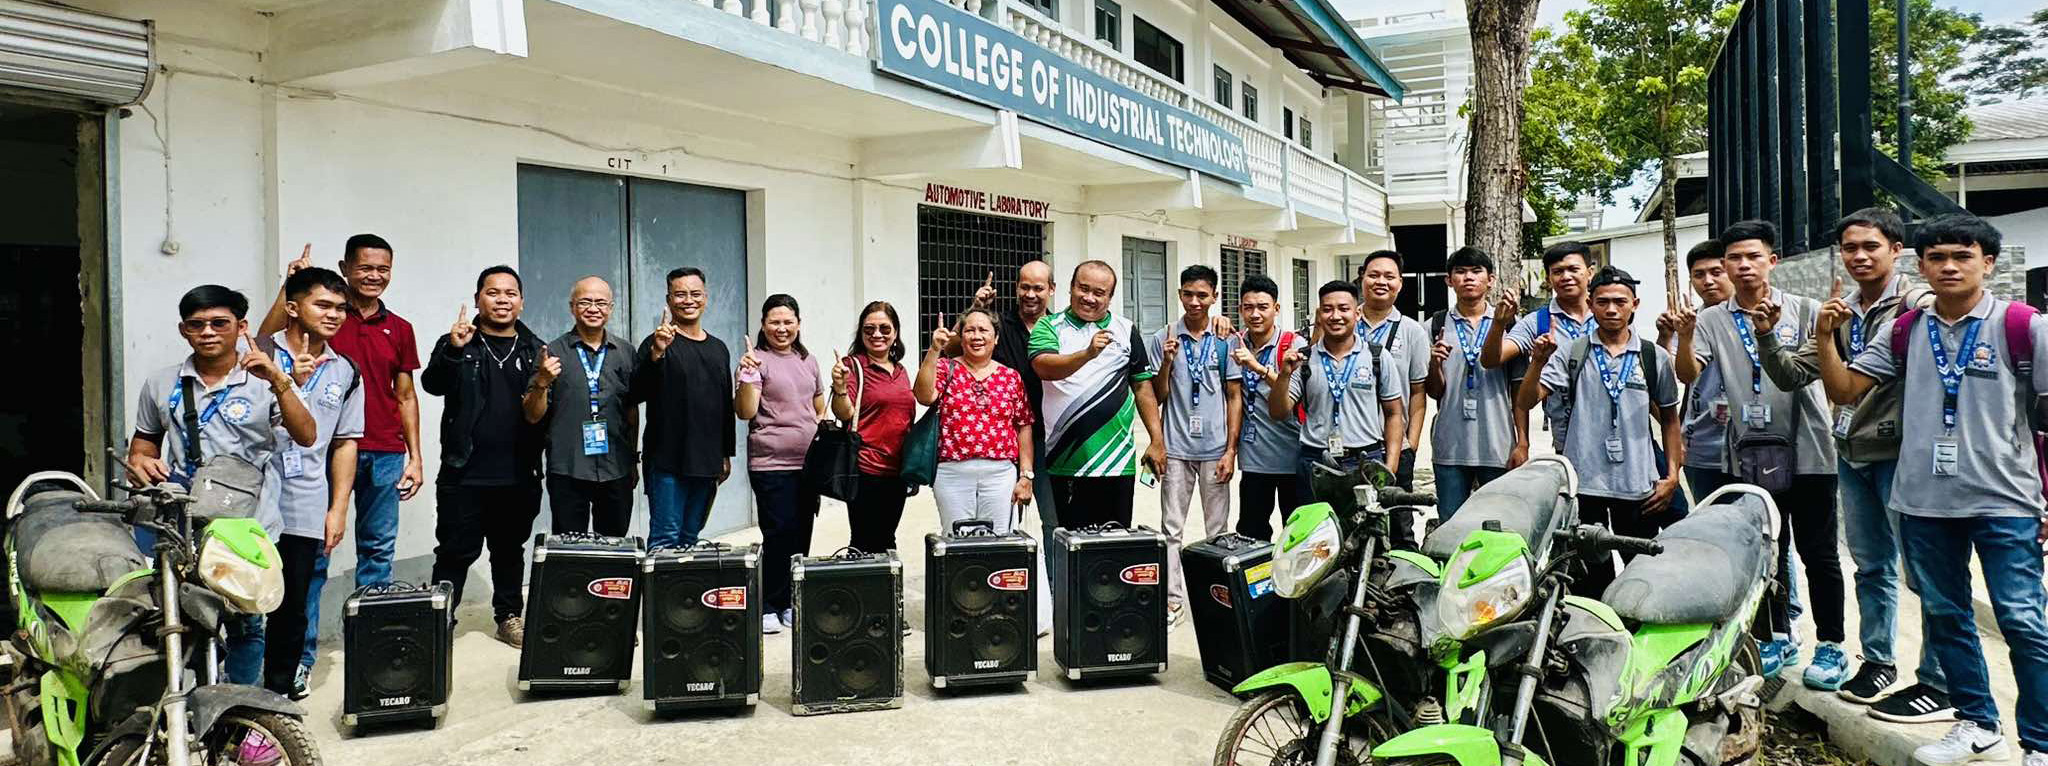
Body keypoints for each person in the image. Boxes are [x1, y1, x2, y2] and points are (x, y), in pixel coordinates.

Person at [1816, 213, 2048, 766]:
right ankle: (1975, 722)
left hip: (2005, 500)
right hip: (1922, 501)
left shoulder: (2023, 325)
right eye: (1937, 258)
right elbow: (1845, 389)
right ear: (1919, 264)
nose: (1949, 267)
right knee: (1945, 614)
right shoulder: (1905, 329)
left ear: (1986, 263)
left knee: (2022, 619)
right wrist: (1826, 337)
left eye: (1962, 256)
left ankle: (2039, 742)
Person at [1752, 207, 1948, 711]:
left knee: (1925, 571)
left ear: (1896, 251)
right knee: (1871, 565)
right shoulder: (1840, 313)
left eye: (1871, 247)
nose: (1859, 256)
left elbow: (1938, 306)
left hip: (1905, 456)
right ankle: (1879, 662)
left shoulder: (1915, 303)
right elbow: (1793, 375)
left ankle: (1937, 680)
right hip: (1853, 452)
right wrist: (1769, 334)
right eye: (1850, 248)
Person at [1674, 219, 1846, 685]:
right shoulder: (1711, 320)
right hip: (1746, 455)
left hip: (1810, 453)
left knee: (1818, 552)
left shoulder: (1809, 311)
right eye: (1735, 258)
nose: (1743, 266)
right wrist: (1686, 337)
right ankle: (1776, 637)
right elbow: (1689, 375)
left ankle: (1832, 645)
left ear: (1773, 261)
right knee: (1765, 550)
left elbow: (1819, 374)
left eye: (1753, 256)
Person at [126, 285, 316, 687]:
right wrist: (141, 463)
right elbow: (141, 447)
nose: (208, 332)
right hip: (181, 524)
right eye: (197, 325)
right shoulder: (162, 383)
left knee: (247, 623)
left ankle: (238, 718)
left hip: (246, 525)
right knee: (179, 618)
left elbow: (307, 435)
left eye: (219, 323)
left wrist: (280, 381)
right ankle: (187, 712)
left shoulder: (266, 379)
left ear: (241, 327)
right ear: (183, 330)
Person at [259, 236, 422, 690]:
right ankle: (300, 658)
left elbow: (406, 394)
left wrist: (416, 456)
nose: (374, 275)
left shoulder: (399, 327)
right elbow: (261, 342)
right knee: (312, 562)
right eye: (365, 267)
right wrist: (289, 287)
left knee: (377, 554)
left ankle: (371, 648)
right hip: (320, 454)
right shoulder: (324, 314)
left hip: (383, 451)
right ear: (346, 267)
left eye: (383, 268)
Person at [1516, 267, 1682, 598]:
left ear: (1634, 304)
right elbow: (1527, 400)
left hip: (1638, 487)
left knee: (1641, 574)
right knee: (1590, 578)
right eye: (1603, 302)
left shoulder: (1653, 356)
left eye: (1620, 302)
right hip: (1585, 486)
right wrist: (1536, 363)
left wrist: (1672, 475)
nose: (1611, 309)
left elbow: (1669, 419)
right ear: (1590, 305)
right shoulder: (1572, 352)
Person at [422, 266, 549, 648]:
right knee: (454, 551)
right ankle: (440, 618)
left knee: (510, 551)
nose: (502, 300)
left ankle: (509, 616)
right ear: (478, 298)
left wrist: (543, 380)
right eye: (493, 293)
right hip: (464, 470)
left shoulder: (535, 349)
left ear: (521, 302)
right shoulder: (457, 341)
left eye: (510, 294)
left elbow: (540, 412)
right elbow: (432, 384)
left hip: (518, 472)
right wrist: (454, 350)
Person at [255, 268, 363, 699]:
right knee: (234, 603)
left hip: (305, 503)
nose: (334, 314)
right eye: (324, 305)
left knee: (292, 605)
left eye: (341, 308)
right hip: (248, 502)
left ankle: (276, 696)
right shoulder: (259, 353)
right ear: (293, 308)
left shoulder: (346, 370)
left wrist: (337, 508)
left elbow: (345, 443)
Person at [1030, 260, 1166, 529]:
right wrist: (1087, 354)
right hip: (1066, 460)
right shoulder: (1048, 326)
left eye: (1099, 293)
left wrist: (1157, 440)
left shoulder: (1126, 330)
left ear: (1110, 297)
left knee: (1114, 545)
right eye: (1083, 289)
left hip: (1116, 460)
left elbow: (1142, 387)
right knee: (1073, 546)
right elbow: (1043, 367)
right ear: (1070, 288)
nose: (1089, 298)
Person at [1149, 265, 1241, 624]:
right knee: (1172, 528)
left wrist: (1230, 450)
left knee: (1217, 532)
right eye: (1188, 294)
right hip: (1175, 449)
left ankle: (1217, 599)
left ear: (1215, 297)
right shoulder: (1165, 336)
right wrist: (1168, 362)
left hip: (1215, 450)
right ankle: (1173, 601)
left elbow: (1235, 396)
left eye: (1202, 295)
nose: (1194, 302)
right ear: (1179, 294)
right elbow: (1159, 395)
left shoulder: (1226, 339)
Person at [1258, 281, 1406, 499]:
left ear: (1357, 313)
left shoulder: (1377, 357)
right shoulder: (1304, 359)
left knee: (1365, 530)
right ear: (1319, 315)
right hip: (1315, 461)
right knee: (1317, 530)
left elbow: (1394, 413)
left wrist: (1390, 466)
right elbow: (1279, 412)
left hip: (1365, 459)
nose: (1335, 316)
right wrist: (1284, 375)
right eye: (1327, 309)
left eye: (1343, 309)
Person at [736, 294, 828, 635]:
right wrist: (747, 376)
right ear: (763, 325)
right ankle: (769, 605)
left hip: (807, 464)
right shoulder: (755, 360)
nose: (782, 328)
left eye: (788, 321)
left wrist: (814, 428)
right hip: (770, 462)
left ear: (799, 324)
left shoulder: (809, 360)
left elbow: (818, 404)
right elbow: (745, 411)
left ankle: (792, 600)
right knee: (778, 534)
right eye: (774, 322)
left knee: (802, 533)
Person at [527, 276, 639, 537]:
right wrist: (542, 382)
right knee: (570, 552)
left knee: (614, 549)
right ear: (572, 307)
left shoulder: (625, 352)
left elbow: (631, 411)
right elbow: (532, 415)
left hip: (616, 468)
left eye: (601, 302)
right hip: (568, 468)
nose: (593, 308)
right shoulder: (551, 353)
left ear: (610, 308)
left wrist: (633, 460)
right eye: (585, 302)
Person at [635, 267, 736, 549]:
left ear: (706, 298)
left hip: (706, 461)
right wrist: (657, 352)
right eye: (680, 294)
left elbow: (725, 406)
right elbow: (636, 391)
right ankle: (659, 595)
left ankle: (682, 595)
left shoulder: (719, 348)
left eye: (695, 294)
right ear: (668, 300)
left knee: (690, 539)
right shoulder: (657, 343)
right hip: (667, 461)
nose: (688, 300)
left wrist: (726, 454)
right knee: (665, 540)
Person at [919, 308, 1035, 531]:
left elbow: (1024, 425)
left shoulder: (1011, 377)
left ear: (996, 337)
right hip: (952, 473)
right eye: (969, 330)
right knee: (956, 542)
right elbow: (924, 396)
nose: (976, 336)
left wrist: (1026, 476)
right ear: (961, 337)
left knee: (1000, 541)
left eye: (984, 330)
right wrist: (934, 350)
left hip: (1001, 474)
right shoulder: (946, 368)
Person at [1483, 241, 1597, 458]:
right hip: (1568, 438)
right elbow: (1491, 360)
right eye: (1558, 272)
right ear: (1548, 278)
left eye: (1574, 269)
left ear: (1589, 273)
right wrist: (1498, 324)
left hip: (1616, 432)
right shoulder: (1537, 322)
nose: (1566, 277)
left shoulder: (1609, 315)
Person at [1424, 247, 1513, 516]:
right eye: (1460, 272)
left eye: (1476, 271)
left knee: (1498, 526)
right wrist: (1434, 364)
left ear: (1491, 279)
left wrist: (1522, 442)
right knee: (1451, 525)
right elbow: (1433, 391)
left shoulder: (1509, 324)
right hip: (1450, 446)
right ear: (1449, 281)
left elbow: (1519, 389)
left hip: (1497, 444)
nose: (1468, 278)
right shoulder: (1434, 325)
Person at [831, 301, 915, 555]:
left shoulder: (900, 370)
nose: (877, 335)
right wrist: (840, 387)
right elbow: (843, 413)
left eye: (884, 329)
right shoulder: (853, 366)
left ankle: (886, 594)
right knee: (864, 541)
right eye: (869, 329)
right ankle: (864, 593)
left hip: (896, 471)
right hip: (865, 469)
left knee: (887, 539)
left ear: (896, 333)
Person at [1229, 275, 1309, 541]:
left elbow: (1293, 396)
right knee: (1252, 533)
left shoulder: (1292, 345)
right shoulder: (1235, 343)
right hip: (1253, 459)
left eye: (1263, 307)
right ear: (1240, 309)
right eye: (1248, 307)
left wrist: (1258, 367)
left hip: (1292, 456)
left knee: (1296, 534)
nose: (1255, 314)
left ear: (1276, 309)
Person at [1659, 240, 1734, 502]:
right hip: (1703, 445)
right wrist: (1668, 337)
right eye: (1699, 275)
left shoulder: (1760, 317)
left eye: (1716, 272)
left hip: (1755, 443)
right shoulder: (1688, 321)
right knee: (1709, 523)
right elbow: (1677, 377)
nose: (1708, 281)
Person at [1357, 252, 1429, 490]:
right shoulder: (1343, 324)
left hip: (1394, 447)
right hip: (1349, 448)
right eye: (1373, 275)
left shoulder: (1412, 331)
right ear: (1362, 278)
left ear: (1400, 282)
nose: (1381, 282)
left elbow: (1418, 392)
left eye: (1389, 276)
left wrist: (1412, 445)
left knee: (1398, 523)